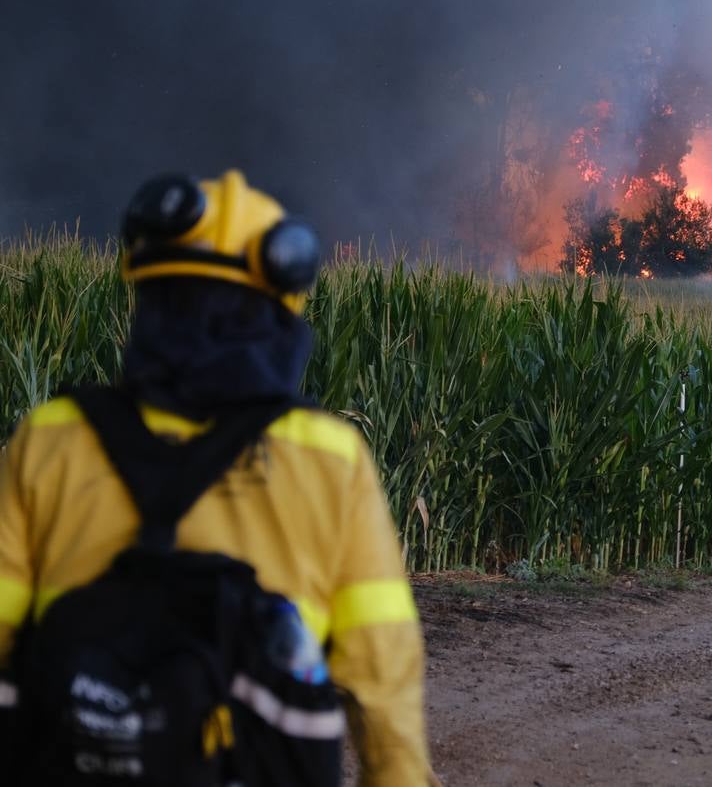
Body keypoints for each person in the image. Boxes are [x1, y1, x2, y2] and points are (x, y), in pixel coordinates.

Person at [0, 171, 435, 785]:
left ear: (147, 295)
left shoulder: (51, 440)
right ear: (281, 312)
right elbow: (380, 668)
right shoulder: (330, 457)